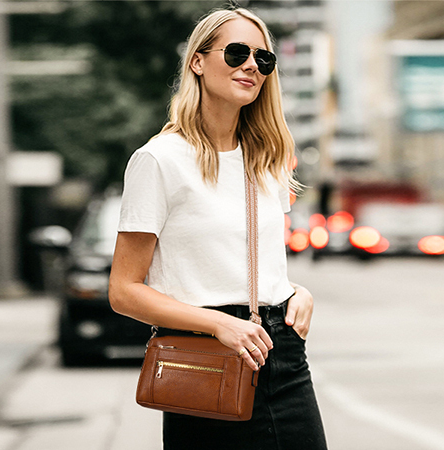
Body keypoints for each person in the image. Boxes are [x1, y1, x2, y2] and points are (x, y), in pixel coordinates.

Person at [109, 7, 327, 450]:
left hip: (281, 355)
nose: (252, 65)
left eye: (264, 59)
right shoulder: (160, 160)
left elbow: (241, 262)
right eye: (237, 52)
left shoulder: (268, 160)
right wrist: (216, 325)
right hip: (205, 358)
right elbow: (124, 290)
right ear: (197, 61)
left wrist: (291, 292)